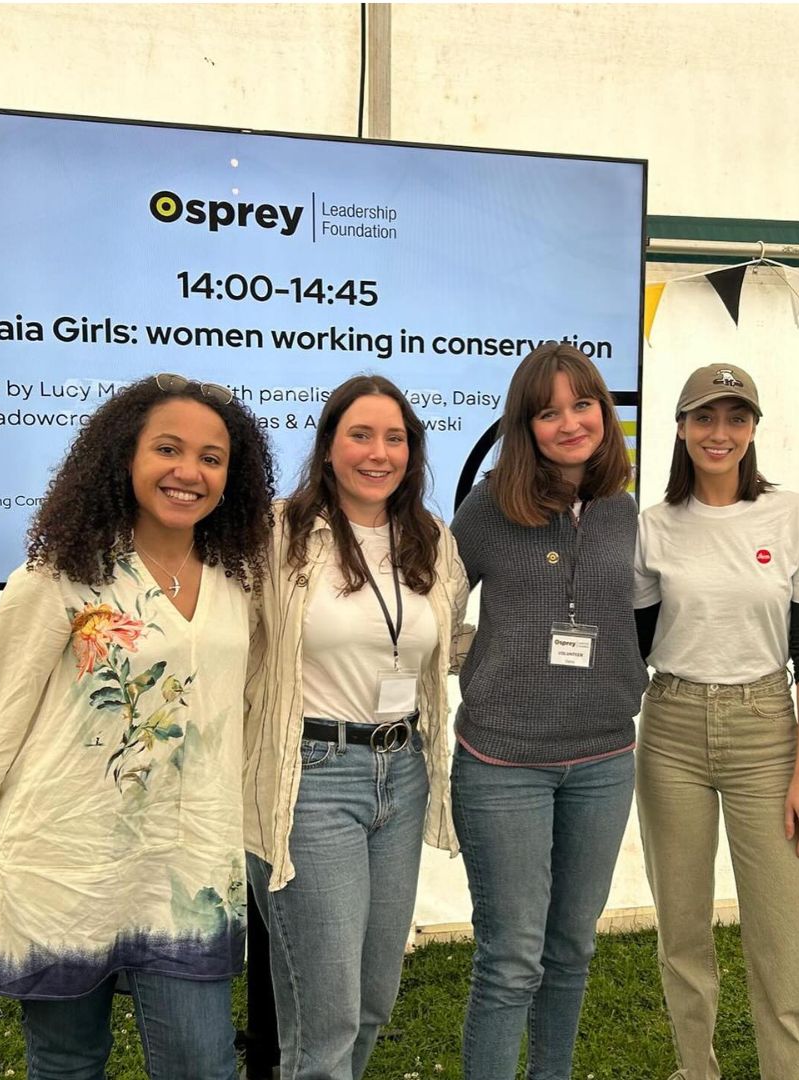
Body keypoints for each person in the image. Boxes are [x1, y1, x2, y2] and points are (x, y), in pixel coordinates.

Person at [0, 373, 276, 1080]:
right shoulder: (57, 577)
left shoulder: (239, 583)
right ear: (123, 457)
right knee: (68, 1062)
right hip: (64, 863)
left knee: (202, 1064)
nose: (188, 471)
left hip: (189, 868)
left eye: (211, 458)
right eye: (168, 449)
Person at [243, 374, 470, 1080]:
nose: (379, 453)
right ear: (328, 447)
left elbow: (447, 637)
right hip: (310, 777)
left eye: (394, 438)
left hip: (401, 770)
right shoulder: (277, 533)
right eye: (361, 435)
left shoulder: (430, 539)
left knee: (372, 999)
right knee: (327, 1015)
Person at [633, 362, 799, 1080]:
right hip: (671, 729)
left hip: (766, 730)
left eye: (736, 418)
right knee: (682, 930)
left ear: (753, 429)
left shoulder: (795, 515)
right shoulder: (652, 526)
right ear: (681, 428)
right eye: (704, 417)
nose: (719, 433)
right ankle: (697, 1068)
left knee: (784, 936)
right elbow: (634, 646)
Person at [449, 342, 648, 1080]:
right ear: (525, 426)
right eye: (548, 412)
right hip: (504, 764)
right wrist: (478, 659)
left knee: (571, 949)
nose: (570, 423)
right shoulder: (487, 509)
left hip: (604, 759)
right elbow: (432, 604)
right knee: (511, 959)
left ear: (604, 412)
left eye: (583, 404)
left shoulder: (625, 510)